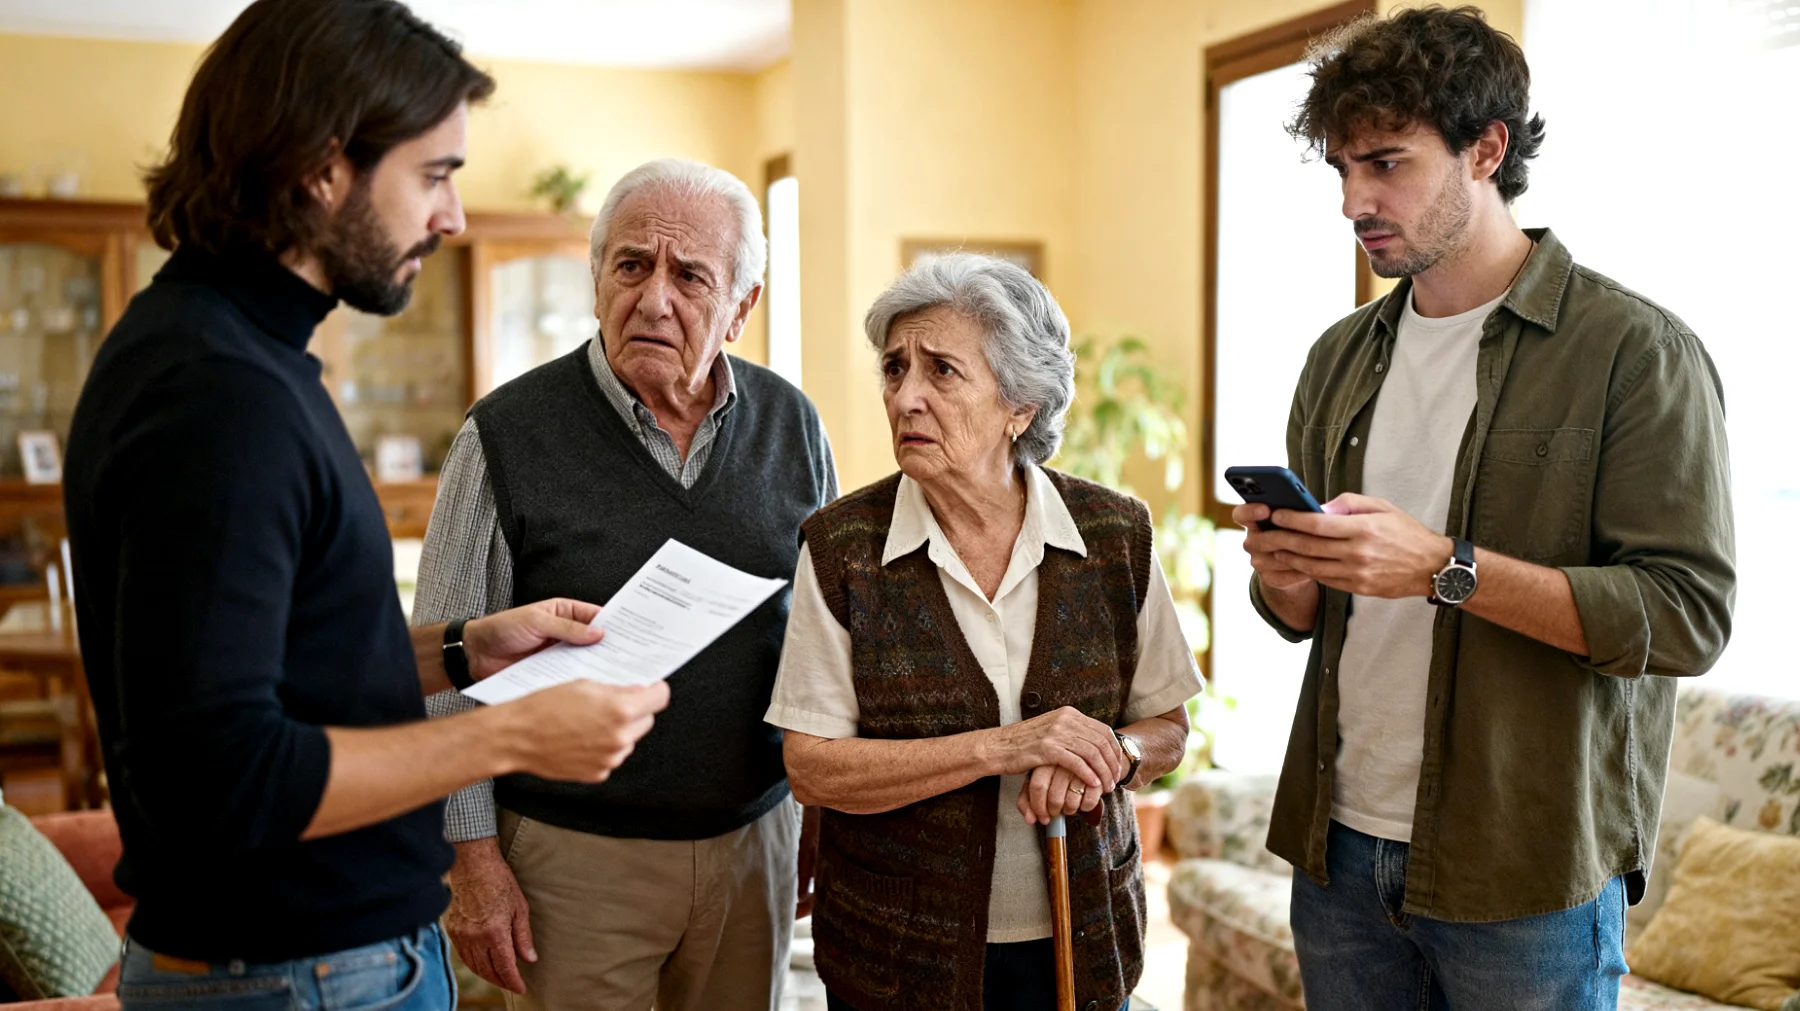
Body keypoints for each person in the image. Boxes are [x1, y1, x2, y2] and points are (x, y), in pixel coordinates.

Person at [62, 2, 670, 1008]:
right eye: (433, 175)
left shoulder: (228, 351)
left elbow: (286, 668)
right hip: (298, 978)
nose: (452, 218)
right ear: (321, 165)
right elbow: (221, 775)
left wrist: (468, 648)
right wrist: (517, 736)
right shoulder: (220, 394)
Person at [1238, 7, 1736, 1009]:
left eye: (1386, 163)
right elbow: (1301, 617)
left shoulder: (1633, 352)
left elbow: (1686, 616)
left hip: (1524, 876)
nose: (1353, 200)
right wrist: (1286, 573)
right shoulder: (1338, 357)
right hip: (1336, 855)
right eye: (1341, 170)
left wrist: (1441, 567)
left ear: (1488, 149)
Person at [416, 157, 838, 1011]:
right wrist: (474, 862)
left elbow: (824, 640)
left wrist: (817, 814)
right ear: (597, 278)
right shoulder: (503, 432)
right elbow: (442, 668)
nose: (654, 299)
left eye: (690, 276)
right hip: (572, 863)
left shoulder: (794, 423)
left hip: (752, 840)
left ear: (741, 308)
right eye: (632, 265)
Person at [769, 253, 1203, 1011]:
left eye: (942, 371)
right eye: (895, 368)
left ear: (1021, 405)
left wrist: (1112, 754)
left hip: (1082, 937)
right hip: (898, 957)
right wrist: (1001, 747)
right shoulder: (841, 547)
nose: (906, 397)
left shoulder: (1113, 533)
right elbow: (813, 767)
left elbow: (1165, 726)